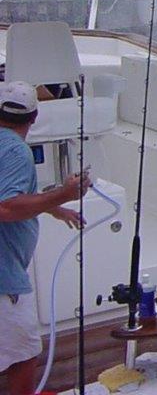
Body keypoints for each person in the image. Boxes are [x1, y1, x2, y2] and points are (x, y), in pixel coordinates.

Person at [0, 82, 89, 395]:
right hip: (5, 280)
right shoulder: (16, 150)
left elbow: (13, 191)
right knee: (24, 354)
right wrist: (65, 193)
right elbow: (7, 207)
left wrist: (56, 209)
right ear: (34, 117)